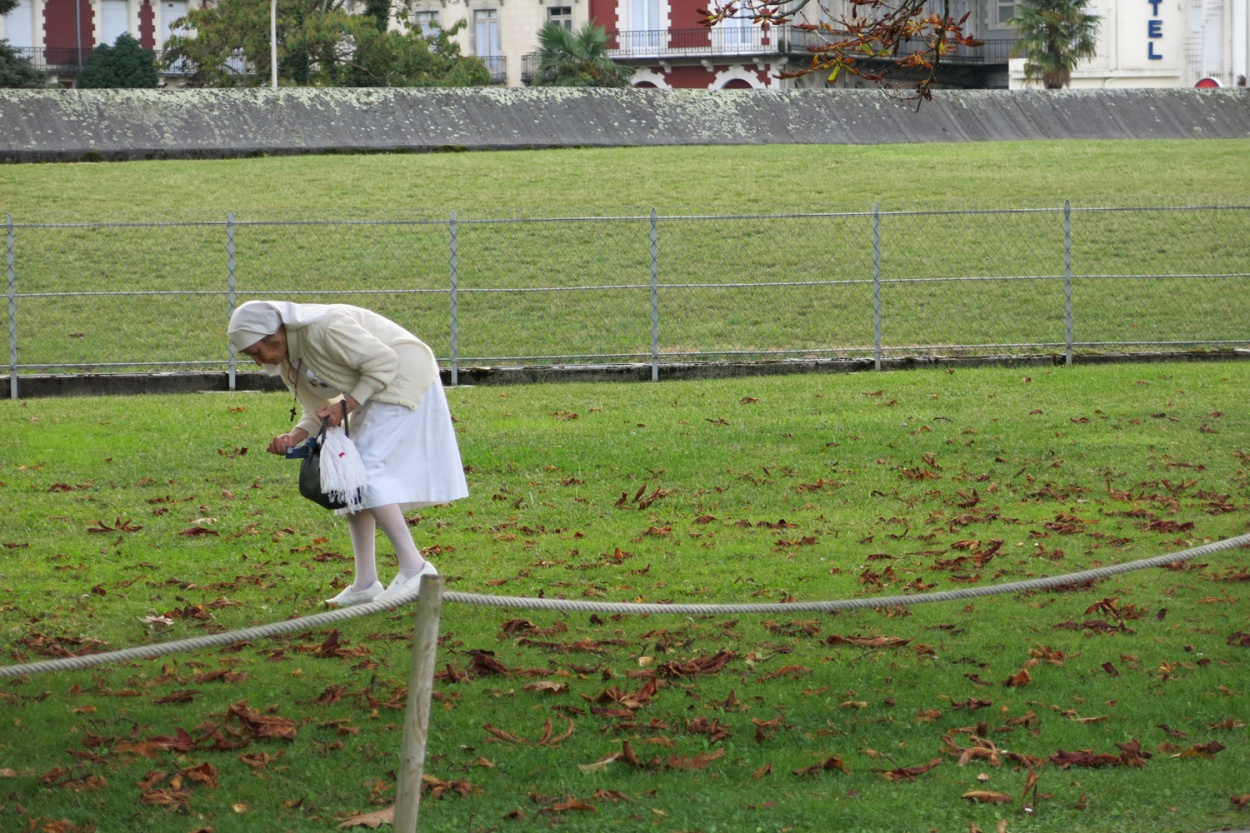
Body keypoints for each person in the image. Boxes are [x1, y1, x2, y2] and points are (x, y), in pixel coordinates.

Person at [227, 301, 468, 606]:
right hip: (372, 390)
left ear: (274, 335)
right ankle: (365, 583)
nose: (257, 361)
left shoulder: (325, 328)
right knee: (348, 478)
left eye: (257, 352)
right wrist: (295, 435)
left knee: (364, 471)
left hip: (403, 376)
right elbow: (316, 408)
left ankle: (415, 568)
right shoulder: (288, 360)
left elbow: (384, 362)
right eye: (250, 356)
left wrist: (347, 406)